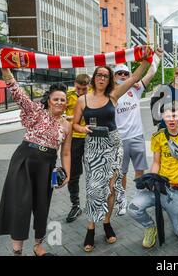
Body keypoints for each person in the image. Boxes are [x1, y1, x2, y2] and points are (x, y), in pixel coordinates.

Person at [72, 46, 154, 252]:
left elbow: (135, 76)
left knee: (111, 186)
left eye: (105, 76)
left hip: (113, 144)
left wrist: (147, 59)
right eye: (98, 75)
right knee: (92, 188)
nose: (101, 78)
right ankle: (91, 228)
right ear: (94, 78)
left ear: (110, 80)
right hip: (93, 147)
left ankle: (107, 223)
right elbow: (74, 124)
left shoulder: (114, 95)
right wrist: (82, 128)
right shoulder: (82, 100)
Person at [0, 68, 71, 256]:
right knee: (20, 205)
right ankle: (17, 251)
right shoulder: (37, 111)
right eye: (56, 98)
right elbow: (18, 94)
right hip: (25, 160)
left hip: (47, 165)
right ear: (49, 100)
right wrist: (6, 69)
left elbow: (66, 152)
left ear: (66, 103)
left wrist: (67, 174)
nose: (59, 102)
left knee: (42, 205)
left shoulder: (67, 124)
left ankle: (38, 246)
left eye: (63, 99)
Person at [128, 104, 178, 248]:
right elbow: (156, 162)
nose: (171, 119)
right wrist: (153, 178)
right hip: (160, 187)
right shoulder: (157, 137)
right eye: (167, 116)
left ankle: (171, 210)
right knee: (133, 208)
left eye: (174, 115)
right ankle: (150, 227)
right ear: (163, 118)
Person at [114, 48, 162, 205]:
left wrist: (157, 57)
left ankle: (138, 196)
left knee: (139, 170)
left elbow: (150, 74)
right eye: (119, 73)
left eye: (125, 74)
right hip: (119, 139)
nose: (123, 76)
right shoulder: (110, 93)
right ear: (114, 77)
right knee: (121, 172)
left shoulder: (136, 89)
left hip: (137, 136)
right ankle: (121, 198)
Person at [65, 73, 91, 223]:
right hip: (73, 139)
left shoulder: (94, 93)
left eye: (84, 89)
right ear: (74, 84)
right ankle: (75, 205)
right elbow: (57, 111)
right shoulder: (68, 95)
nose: (81, 92)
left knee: (93, 171)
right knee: (73, 173)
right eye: (78, 88)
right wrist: (66, 117)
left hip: (89, 137)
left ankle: (93, 201)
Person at [150, 65, 178, 129]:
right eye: (176, 73)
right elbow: (153, 102)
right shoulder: (163, 89)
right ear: (173, 73)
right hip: (165, 126)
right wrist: (156, 121)